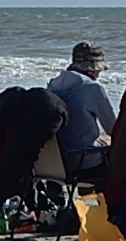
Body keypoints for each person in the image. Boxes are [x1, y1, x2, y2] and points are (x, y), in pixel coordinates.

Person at [47, 41, 115, 178]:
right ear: (92, 69)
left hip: (56, 164)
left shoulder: (53, 84)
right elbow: (114, 130)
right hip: (85, 164)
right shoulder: (93, 87)